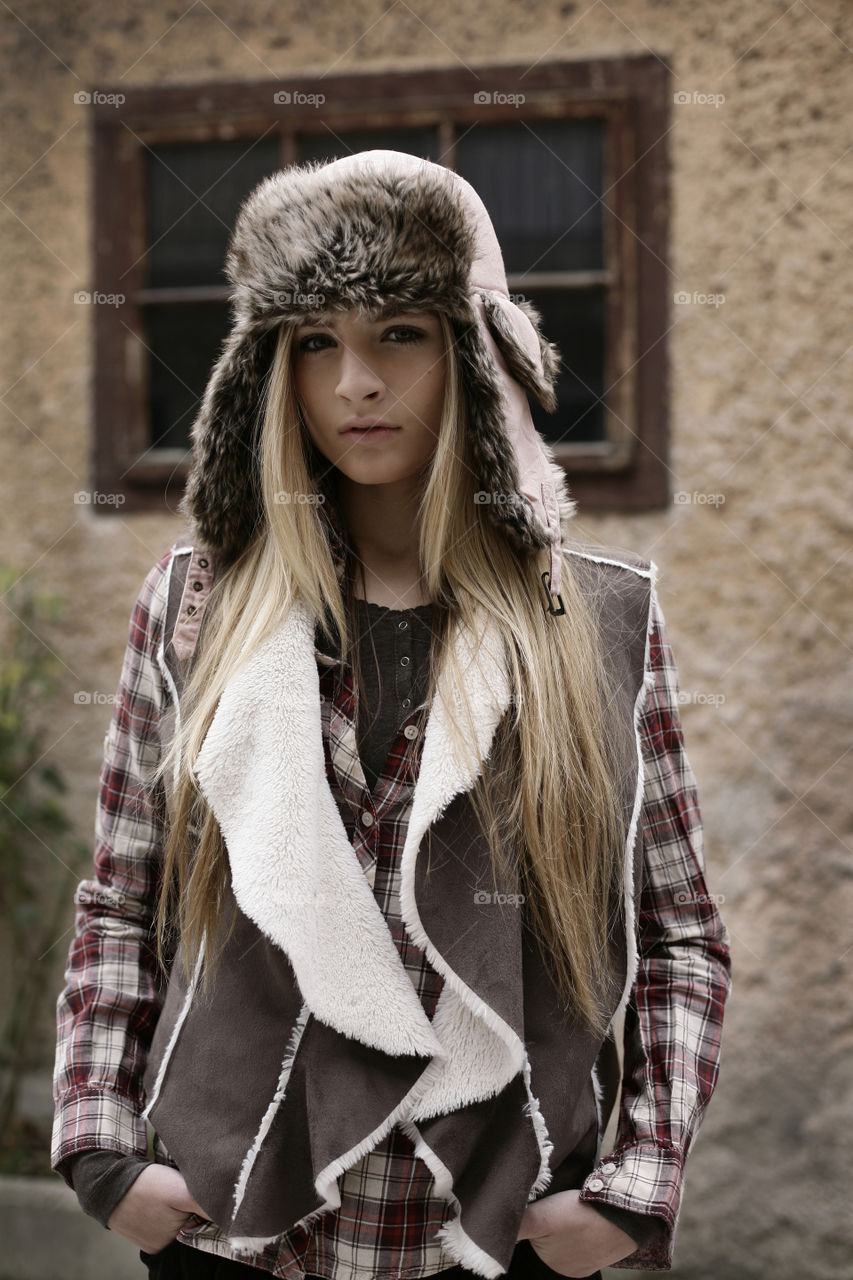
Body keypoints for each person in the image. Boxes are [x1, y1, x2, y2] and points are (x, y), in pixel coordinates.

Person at [51, 150, 731, 1280]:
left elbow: (679, 935)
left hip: (489, 1240)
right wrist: (102, 1150)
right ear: (273, 371)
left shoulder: (603, 618)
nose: (354, 383)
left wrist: (634, 1187)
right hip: (233, 1229)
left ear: (474, 357)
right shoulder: (194, 606)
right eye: (315, 342)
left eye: (399, 334)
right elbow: (124, 900)